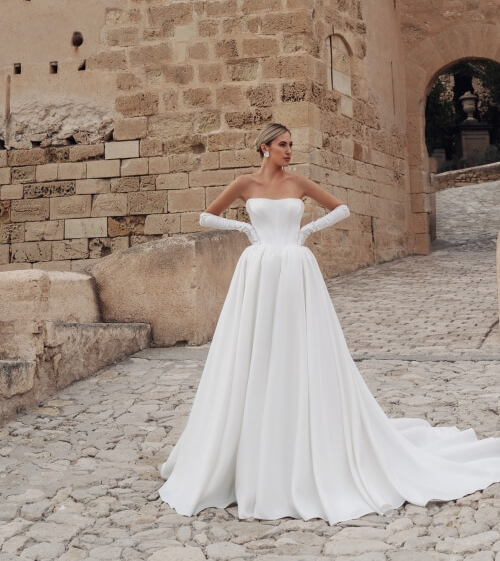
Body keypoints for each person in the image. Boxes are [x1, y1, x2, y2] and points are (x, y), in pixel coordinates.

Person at [159, 121, 500, 524]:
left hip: (295, 268)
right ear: (265, 147)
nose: (289, 150)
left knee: (298, 345)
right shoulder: (245, 184)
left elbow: (341, 208)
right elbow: (206, 217)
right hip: (259, 269)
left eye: (291, 144)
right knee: (255, 345)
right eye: (283, 144)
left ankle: (304, 426)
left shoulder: (298, 182)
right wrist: (246, 229)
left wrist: (306, 231)